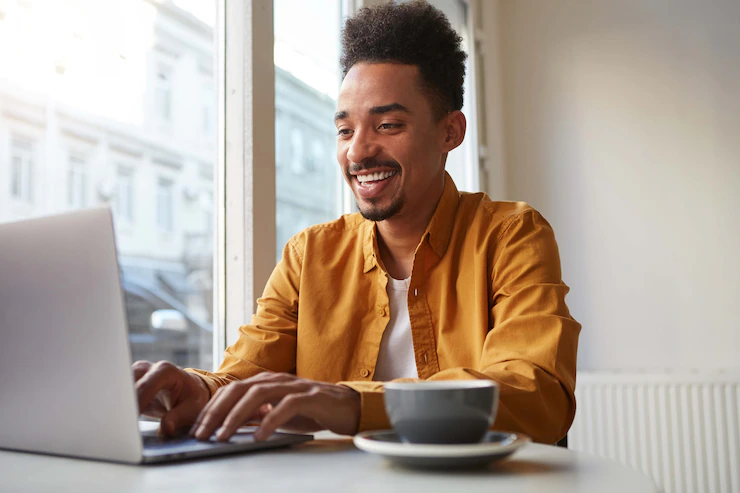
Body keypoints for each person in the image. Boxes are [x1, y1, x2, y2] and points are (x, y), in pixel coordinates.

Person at [134, 0, 580, 445]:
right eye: (345, 130)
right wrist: (200, 389)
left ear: (450, 132)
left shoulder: (511, 235)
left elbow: (536, 394)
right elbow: (243, 378)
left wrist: (350, 403)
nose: (357, 152)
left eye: (387, 125)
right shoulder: (309, 255)